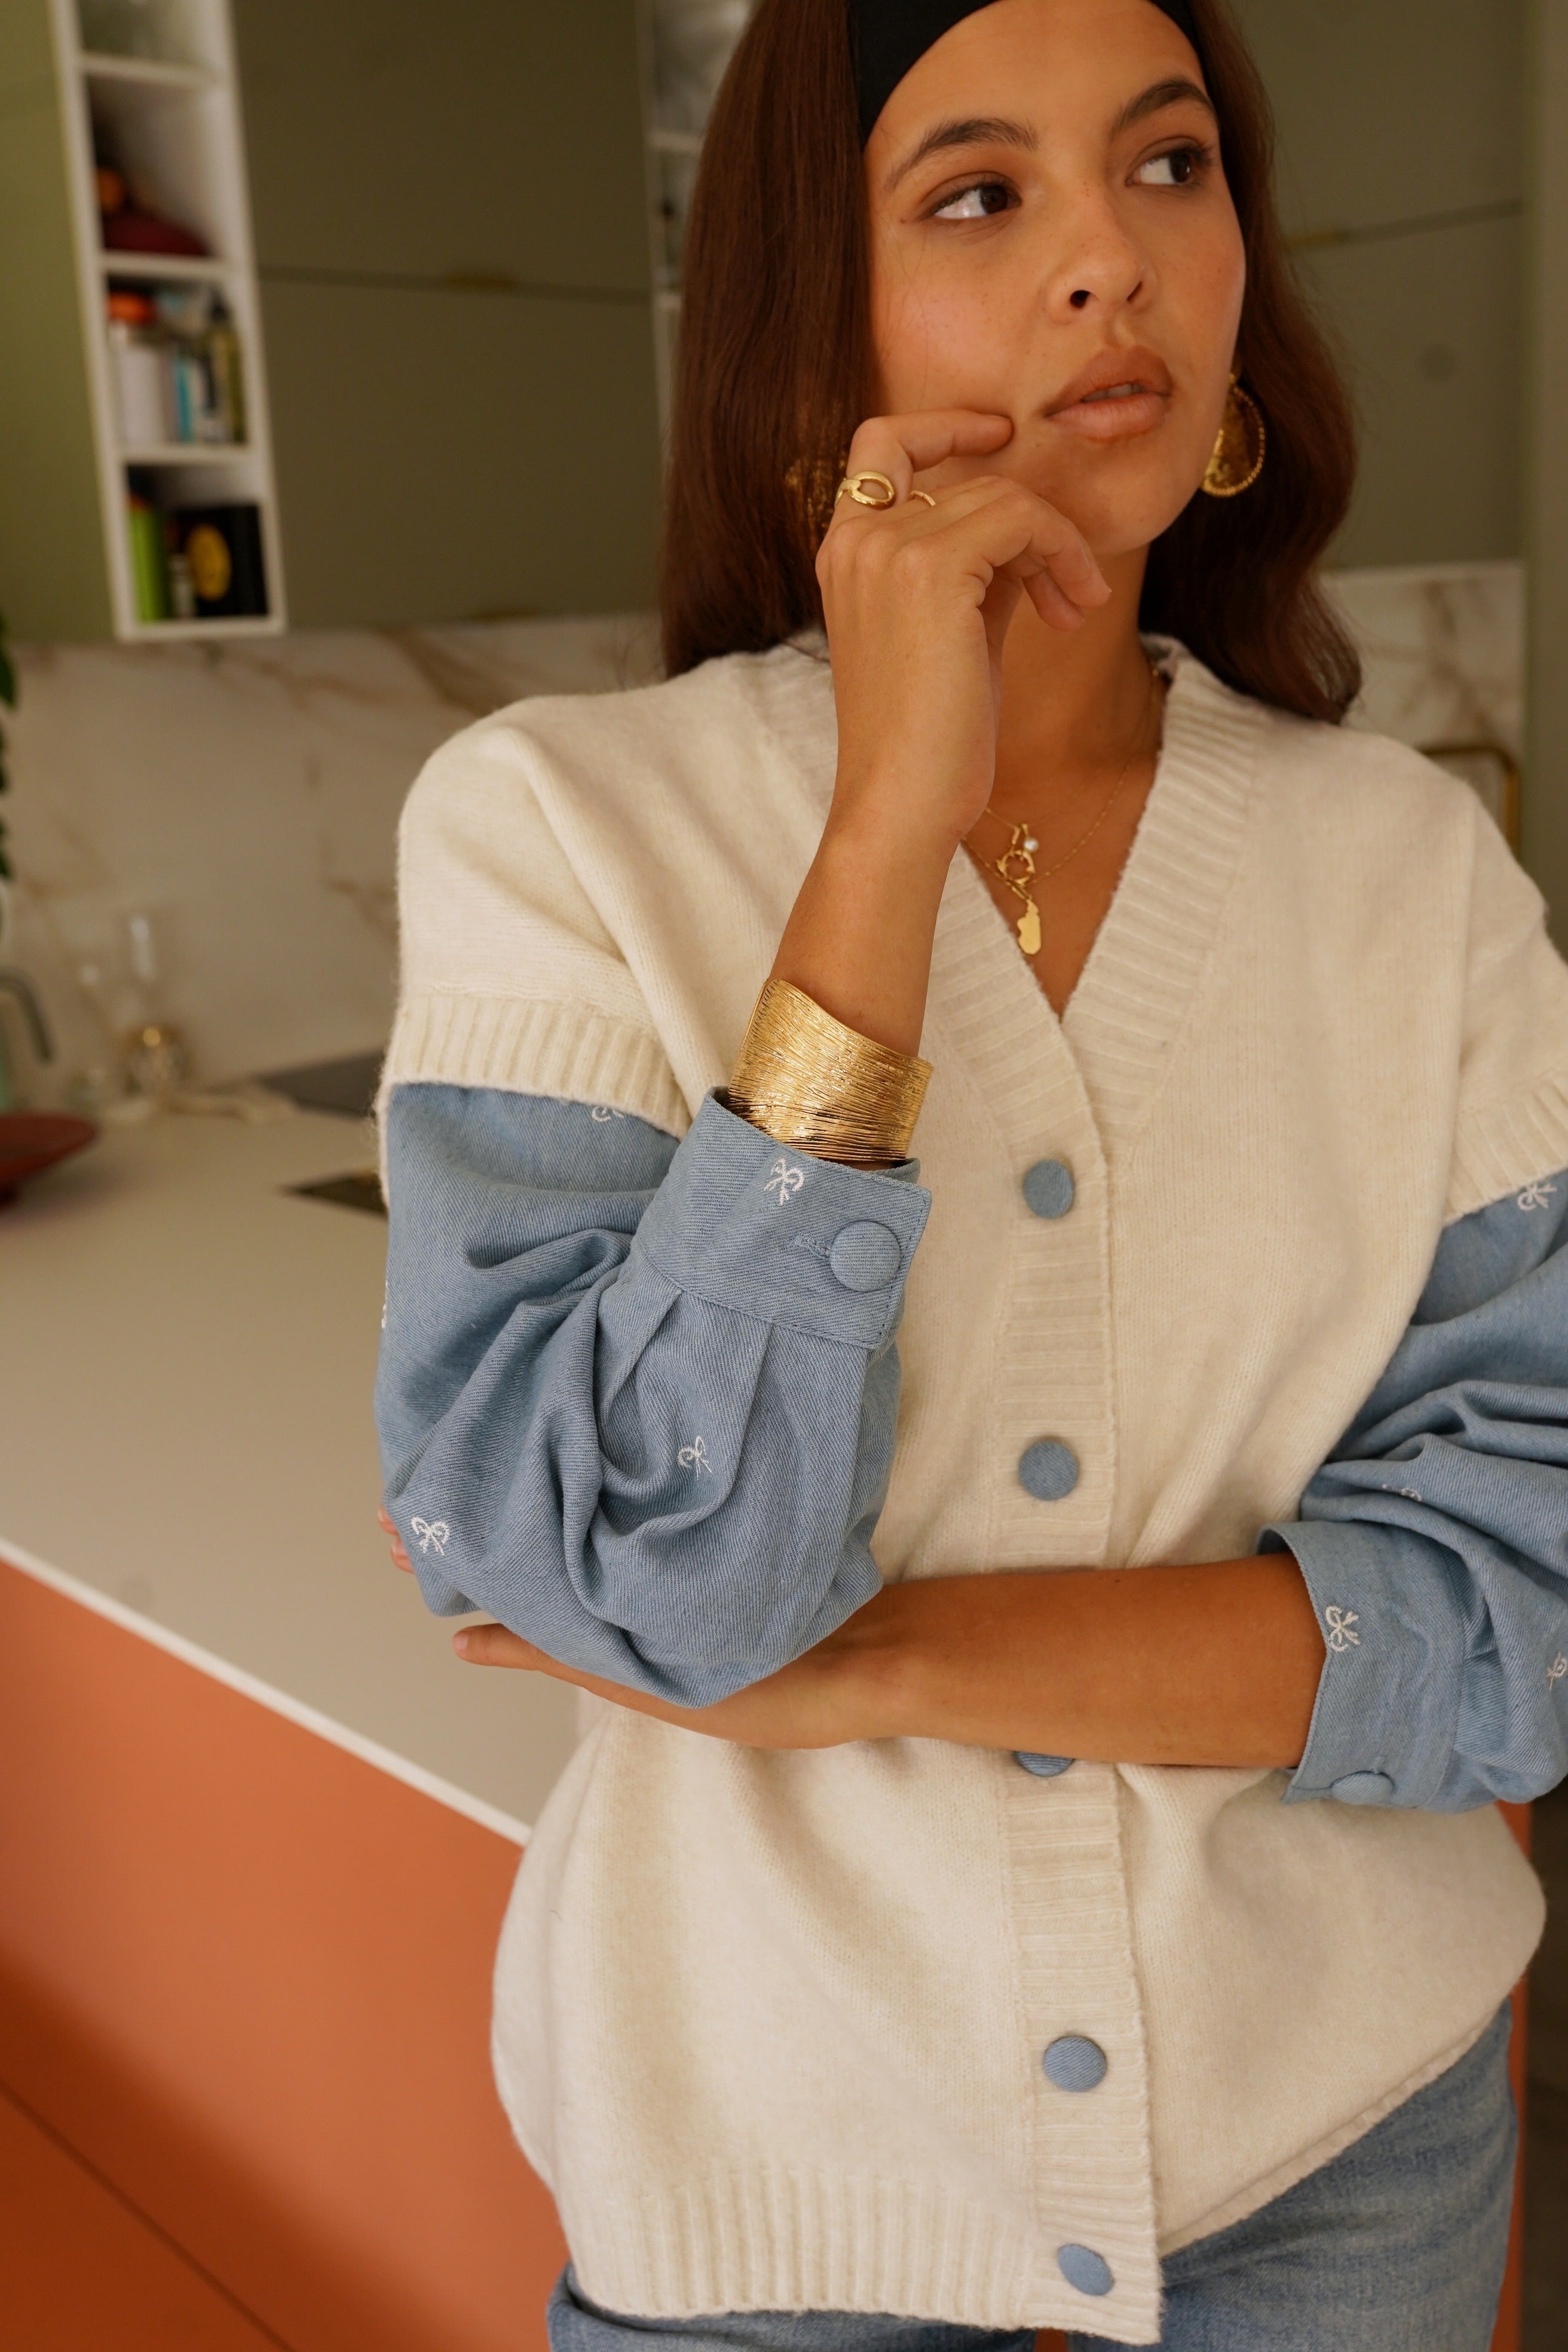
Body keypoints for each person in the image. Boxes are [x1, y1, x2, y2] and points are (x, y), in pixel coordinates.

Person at [373, 2, 1568, 2345]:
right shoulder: (558, 827)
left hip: (1339, 2143)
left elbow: (1522, 1600)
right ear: (814, 321)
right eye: (978, 195)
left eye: (1167, 164)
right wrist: (880, 840)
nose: (1107, 256)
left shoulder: (1414, 872)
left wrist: (888, 1665)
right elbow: (640, 1580)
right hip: (767, 2148)